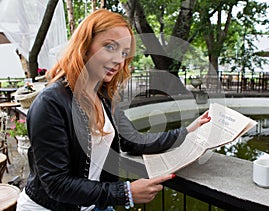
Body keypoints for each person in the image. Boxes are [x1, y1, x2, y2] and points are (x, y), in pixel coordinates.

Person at [17, 9, 211, 211]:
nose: (119, 60)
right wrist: (125, 192)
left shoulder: (105, 98)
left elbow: (134, 141)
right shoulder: (50, 103)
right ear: (84, 45)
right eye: (110, 47)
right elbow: (56, 184)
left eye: (124, 53)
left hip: (93, 205)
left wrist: (188, 131)